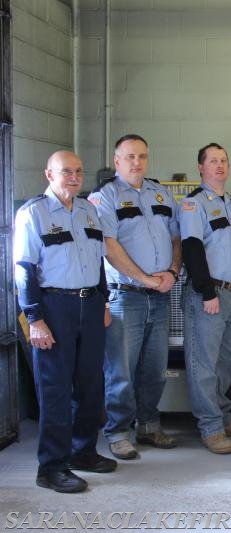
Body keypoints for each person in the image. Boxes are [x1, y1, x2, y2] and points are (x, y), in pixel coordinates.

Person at [14, 151, 116, 493]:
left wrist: (103, 300)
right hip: (53, 307)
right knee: (56, 389)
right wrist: (35, 319)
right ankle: (52, 466)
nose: (73, 177)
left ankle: (83, 452)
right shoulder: (33, 214)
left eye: (78, 171)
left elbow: (98, 261)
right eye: (65, 172)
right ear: (49, 174)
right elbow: (24, 269)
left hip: (90, 306)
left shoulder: (89, 210)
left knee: (90, 385)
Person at [89, 134, 182, 460]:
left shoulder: (160, 192)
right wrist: (145, 278)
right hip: (125, 297)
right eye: (129, 157)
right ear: (117, 162)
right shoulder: (105, 197)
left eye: (142, 156)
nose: (136, 162)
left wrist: (171, 272)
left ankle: (149, 425)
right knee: (121, 371)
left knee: (155, 368)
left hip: (158, 296)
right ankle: (118, 432)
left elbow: (175, 236)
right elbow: (109, 248)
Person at [179, 143, 231, 454]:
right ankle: (210, 427)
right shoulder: (193, 204)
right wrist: (207, 292)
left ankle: (223, 416)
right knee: (204, 364)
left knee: (226, 361)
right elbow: (192, 249)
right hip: (210, 294)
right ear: (201, 167)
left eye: (224, 160)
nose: (220, 166)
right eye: (213, 161)